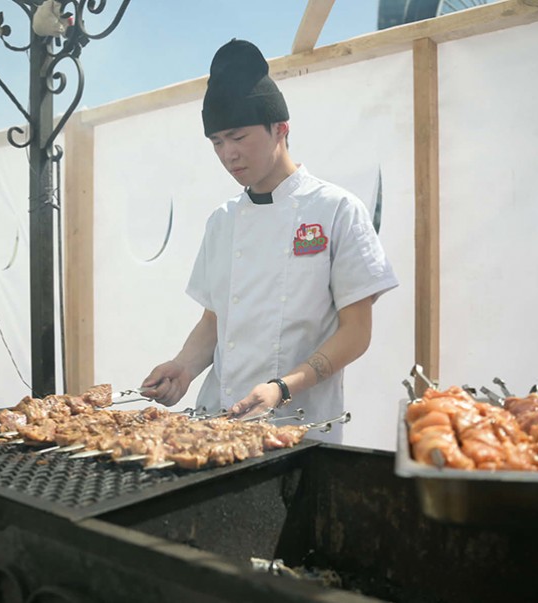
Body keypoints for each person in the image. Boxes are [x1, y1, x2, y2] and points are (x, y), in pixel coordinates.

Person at [141, 39, 398, 442]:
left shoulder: (336, 209)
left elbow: (356, 332)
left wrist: (283, 387)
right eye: (217, 142)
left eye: (238, 137)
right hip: (215, 424)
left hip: (297, 428)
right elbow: (215, 320)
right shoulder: (222, 221)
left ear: (280, 128)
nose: (228, 154)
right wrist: (184, 367)